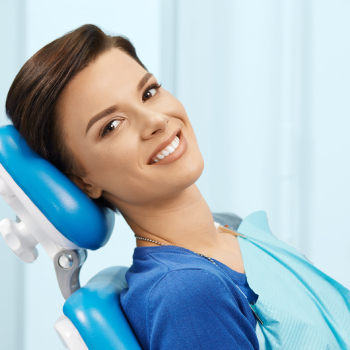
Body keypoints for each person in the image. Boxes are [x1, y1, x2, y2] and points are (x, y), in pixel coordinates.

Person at [5, 24, 350, 350]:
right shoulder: (187, 294)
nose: (155, 120)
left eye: (149, 92)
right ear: (83, 180)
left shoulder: (231, 228)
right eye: (111, 125)